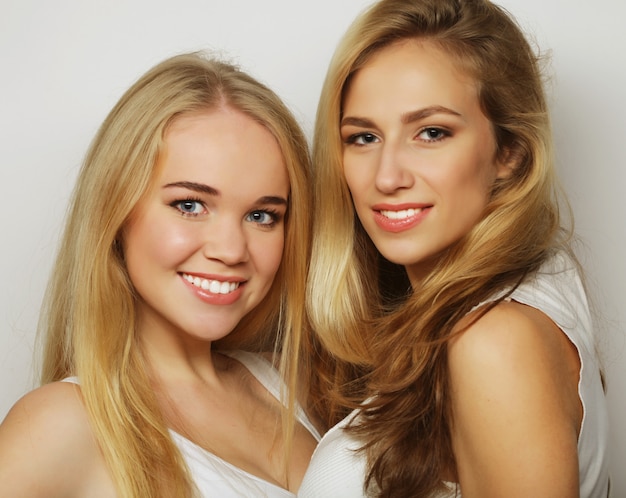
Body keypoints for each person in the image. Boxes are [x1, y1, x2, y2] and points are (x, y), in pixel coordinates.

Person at [300, 0, 610, 497]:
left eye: (431, 132)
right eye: (363, 137)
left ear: (510, 152)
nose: (387, 176)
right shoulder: (533, 286)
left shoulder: (494, 340)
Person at [0, 52, 320, 497]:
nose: (230, 250)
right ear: (116, 212)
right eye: (190, 205)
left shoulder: (287, 384)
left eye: (262, 215)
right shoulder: (60, 425)